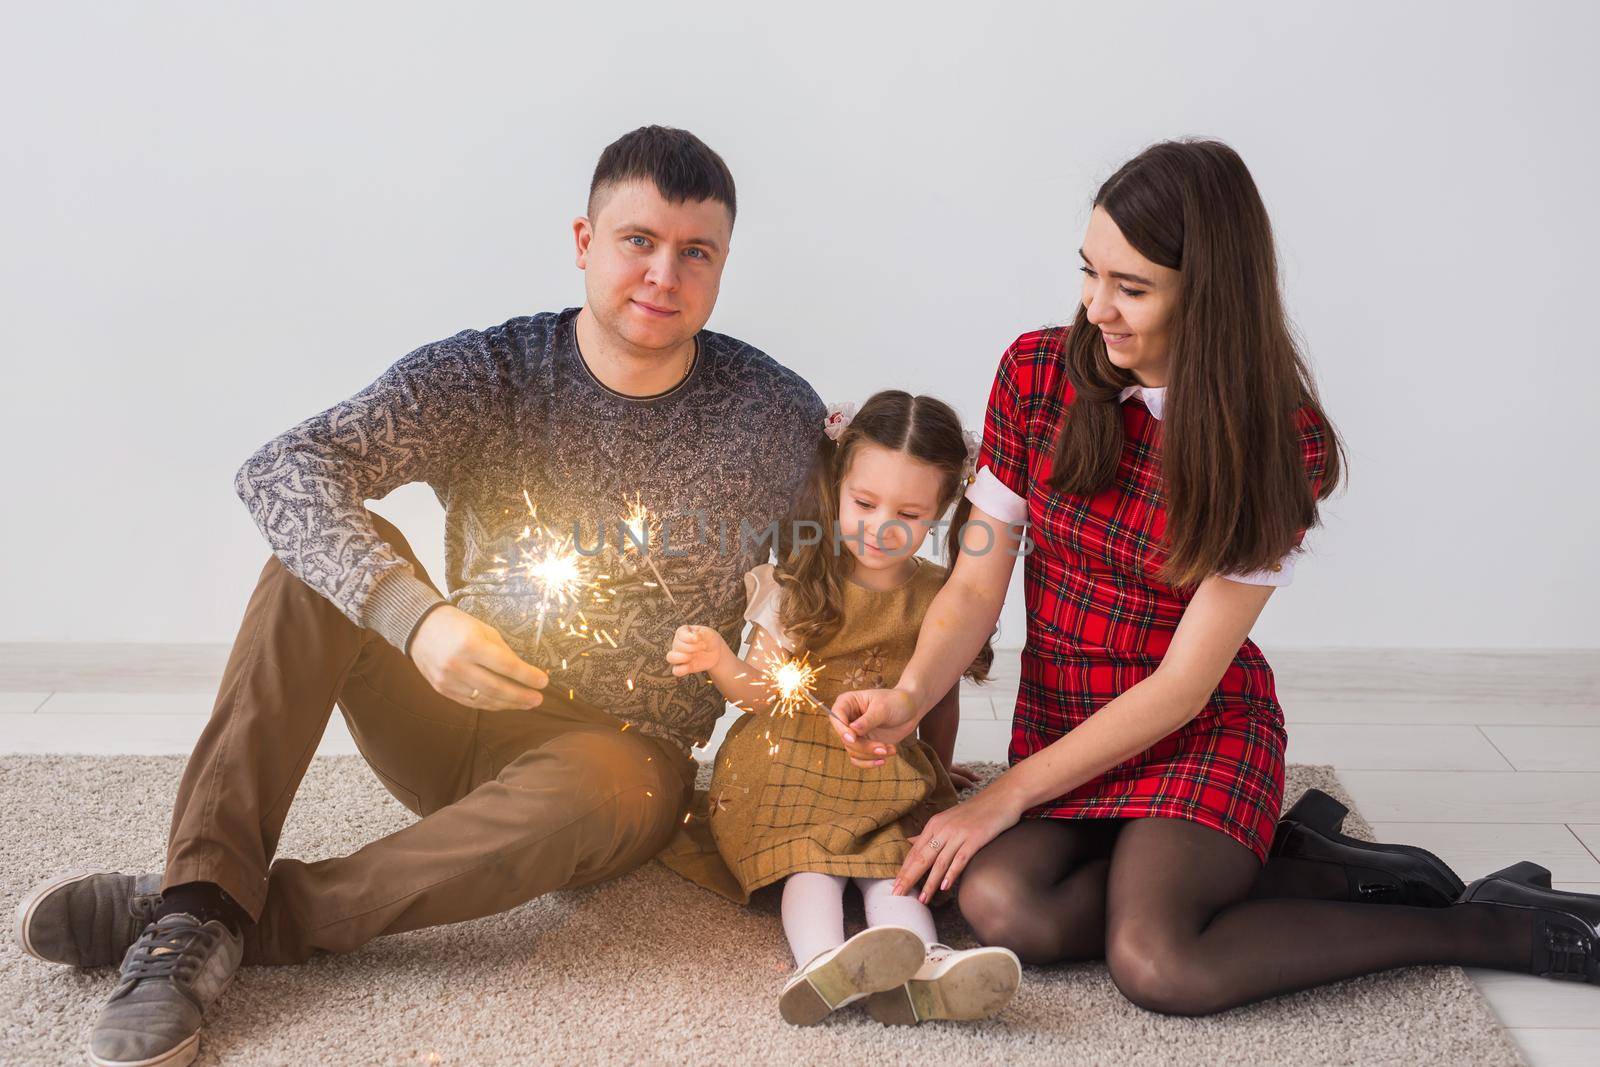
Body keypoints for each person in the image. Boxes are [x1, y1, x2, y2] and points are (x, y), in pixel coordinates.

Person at [15, 125, 825, 1066]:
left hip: (612, 768)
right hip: (452, 702)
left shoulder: (774, 412)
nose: (663, 274)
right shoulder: (488, 372)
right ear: (583, 241)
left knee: (611, 779)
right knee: (306, 570)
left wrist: (903, 731)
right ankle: (203, 899)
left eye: (697, 253)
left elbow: (857, 560)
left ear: (723, 265)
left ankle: (206, 913)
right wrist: (418, 616)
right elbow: (283, 466)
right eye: (638, 240)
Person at [828, 139, 1600, 1015]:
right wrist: (908, 692)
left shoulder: (1276, 440)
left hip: (1196, 731)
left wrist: (1002, 797)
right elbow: (972, 585)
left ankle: (1497, 925)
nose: (1095, 307)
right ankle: (1282, 864)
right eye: (1089, 272)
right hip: (1066, 726)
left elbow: (1185, 686)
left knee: (1159, 963)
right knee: (1004, 909)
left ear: (1210, 291)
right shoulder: (1037, 375)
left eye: (1131, 287)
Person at [660, 390, 1021, 1026]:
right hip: (786, 763)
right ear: (836, 487)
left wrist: (936, 769)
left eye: (909, 513)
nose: (883, 527)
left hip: (876, 767)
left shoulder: (947, 597)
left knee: (895, 863)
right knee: (814, 863)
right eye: (864, 503)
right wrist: (720, 660)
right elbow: (765, 697)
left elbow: (936, 696)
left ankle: (923, 963)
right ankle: (821, 960)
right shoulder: (798, 582)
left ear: (942, 511)